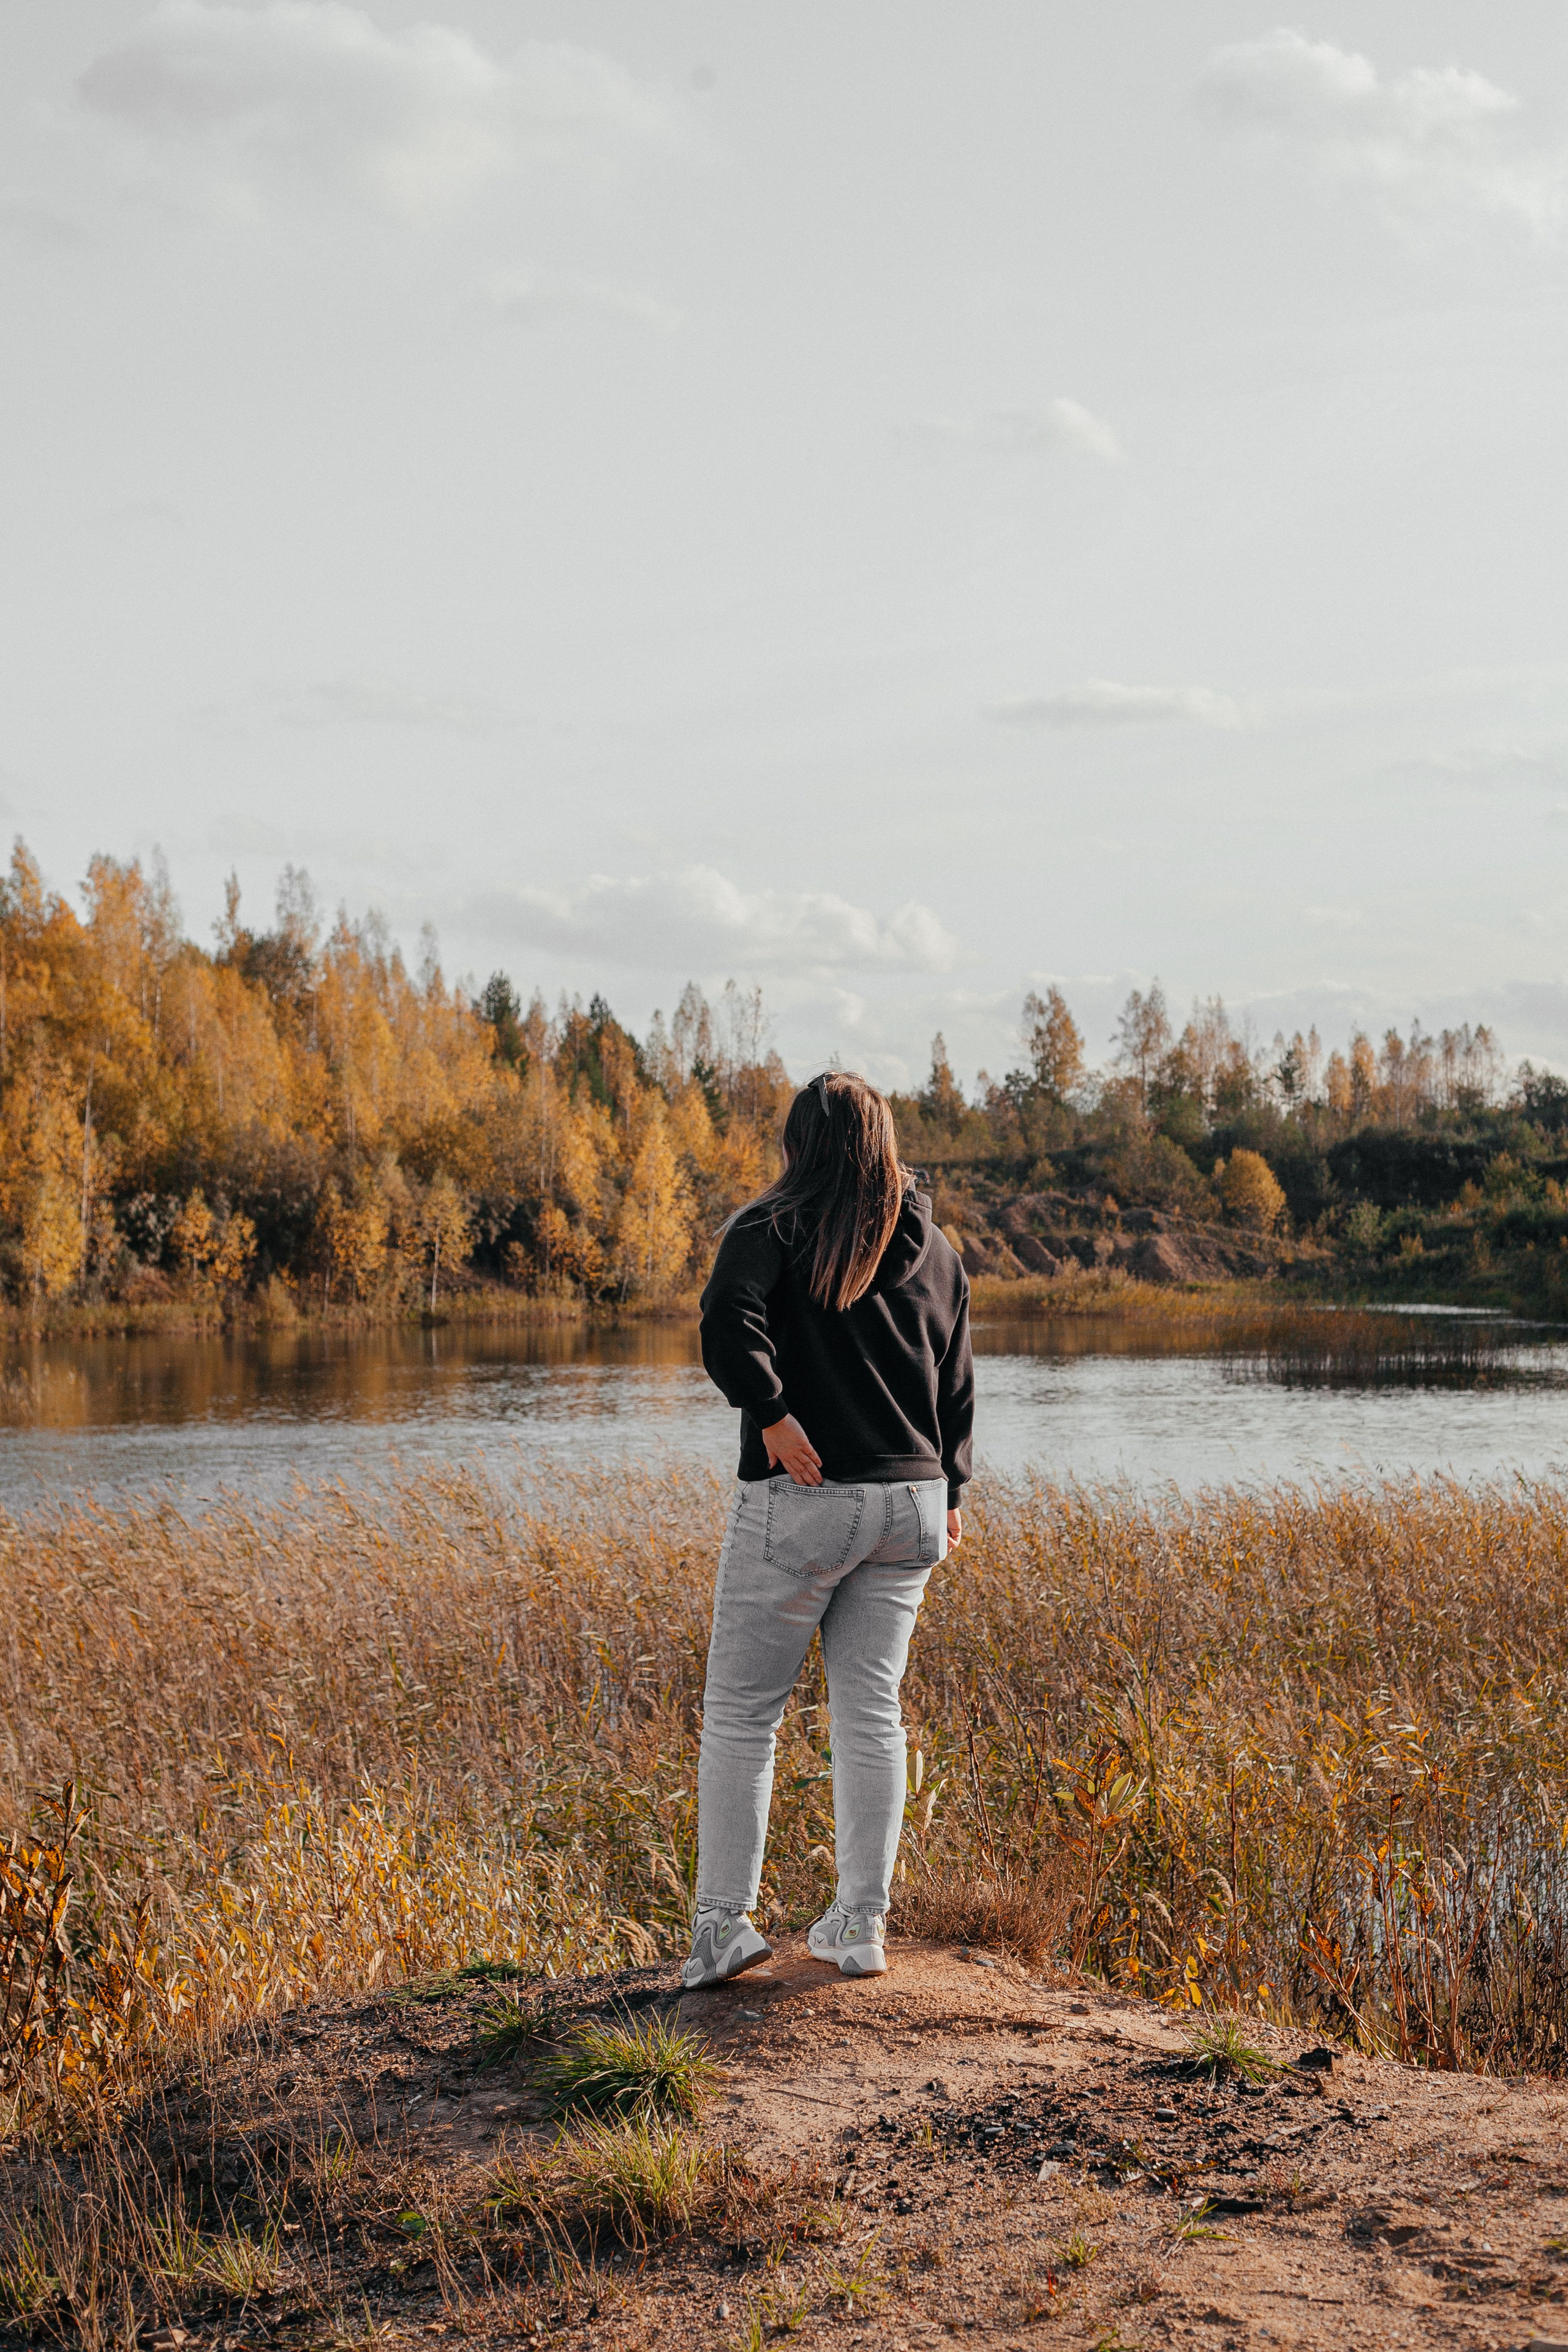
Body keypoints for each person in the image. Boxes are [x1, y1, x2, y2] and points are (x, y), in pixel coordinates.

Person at [685, 1068, 973, 1988]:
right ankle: (860, 1926)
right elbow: (957, 1374)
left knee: (741, 1715)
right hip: (912, 1505)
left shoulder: (773, 1227)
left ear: (798, 1148)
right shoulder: (935, 1247)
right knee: (870, 1714)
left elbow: (726, 1317)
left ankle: (723, 1929)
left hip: (807, 1497)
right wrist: (954, 1486)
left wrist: (771, 1413)